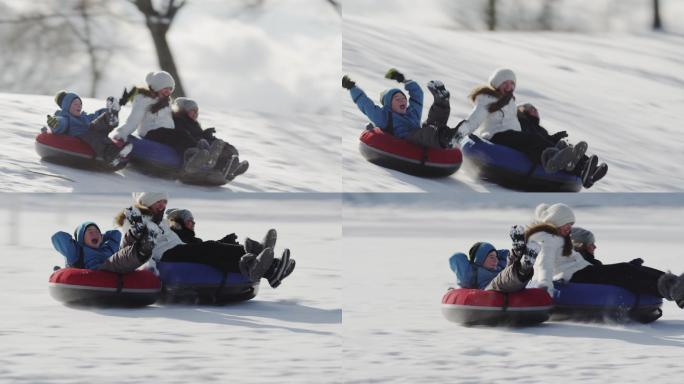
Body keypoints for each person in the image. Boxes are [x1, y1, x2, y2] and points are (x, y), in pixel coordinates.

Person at [114, 193, 294, 288]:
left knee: (214, 255)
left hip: (176, 249)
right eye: (158, 202)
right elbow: (134, 243)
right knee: (211, 248)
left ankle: (272, 268)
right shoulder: (135, 217)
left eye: (164, 201)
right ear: (147, 201)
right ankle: (263, 261)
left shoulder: (159, 220)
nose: (163, 205)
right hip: (166, 255)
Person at [526, 203, 684, 308]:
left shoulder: (560, 238)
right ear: (557, 221)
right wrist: (545, 288)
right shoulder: (548, 240)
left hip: (583, 271)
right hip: (575, 276)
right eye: (567, 224)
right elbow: (543, 264)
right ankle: (673, 289)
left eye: (571, 224)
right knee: (625, 271)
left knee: (628, 268)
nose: (570, 228)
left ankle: (675, 283)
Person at [456, 68, 590, 174]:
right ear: (496, 83)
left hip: (512, 135)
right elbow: (475, 118)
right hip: (497, 135)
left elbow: (521, 117)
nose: (509, 86)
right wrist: (459, 134)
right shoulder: (487, 98)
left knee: (539, 140)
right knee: (532, 140)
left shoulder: (510, 101)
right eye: (505, 83)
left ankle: (582, 167)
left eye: (512, 83)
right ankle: (552, 159)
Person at [108, 71, 221, 172]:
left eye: (170, 89)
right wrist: (122, 134)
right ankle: (193, 157)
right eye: (165, 88)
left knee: (183, 133)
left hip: (164, 132)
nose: (168, 92)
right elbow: (134, 119)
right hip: (152, 132)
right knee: (180, 135)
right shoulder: (145, 100)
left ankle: (204, 154)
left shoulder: (165, 103)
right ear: (157, 87)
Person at [342, 69, 458, 149]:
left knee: (434, 122)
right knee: (427, 132)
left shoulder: (412, 112)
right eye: (397, 99)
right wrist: (352, 88)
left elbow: (417, 94)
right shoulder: (385, 117)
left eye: (403, 98)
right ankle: (446, 136)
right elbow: (367, 105)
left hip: (423, 136)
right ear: (388, 105)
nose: (403, 101)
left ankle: (441, 100)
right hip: (408, 139)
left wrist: (404, 80)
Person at [517, 103, 607, 188]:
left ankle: (590, 170)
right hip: (537, 152)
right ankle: (582, 171)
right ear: (523, 111)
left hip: (546, 147)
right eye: (531, 109)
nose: (535, 111)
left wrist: (556, 137)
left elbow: (546, 140)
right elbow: (530, 139)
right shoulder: (523, 122)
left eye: (536, 109)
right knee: (562, 152)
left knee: (566, 147)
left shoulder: (540, 129)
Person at [45, 91, 132, 166]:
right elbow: (61, 123)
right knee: (93, 136)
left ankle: (111, 115)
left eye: (80, 104)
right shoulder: (66, 118)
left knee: (99, 122)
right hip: (82, 135)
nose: (79, 106)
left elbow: (95, 116)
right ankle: (112, 155)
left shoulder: (84, 116)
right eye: (75, 104)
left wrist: (105, 112)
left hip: (93, 129)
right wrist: (55, 124)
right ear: (67, 106)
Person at [171, 97, 249, 181]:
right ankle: (205, 165)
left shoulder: (194, 124)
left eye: (197, 111)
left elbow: (199, 135)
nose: (196, 114)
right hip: (190, 147)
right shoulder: (178, 120)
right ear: (184, 110)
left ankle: (230, 168)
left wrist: (207, 134)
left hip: (201, 147)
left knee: (220, 144)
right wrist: (200, 139)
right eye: (192, 111)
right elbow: (182, 135)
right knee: (204, 146)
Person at [448, 226, 538, 293]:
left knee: (510, 267)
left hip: (511, 280)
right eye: (491, 257)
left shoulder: (499, 266)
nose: (495, 260)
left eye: (496, 257)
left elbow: (505, 255)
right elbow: (456, 258)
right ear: (480, 259)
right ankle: (524, 266)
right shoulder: (472, 273)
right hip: (490, 289)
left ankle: (519, 253)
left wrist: (494, 253)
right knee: (501, 279)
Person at [51, 221, 154, 273]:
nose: (95, 234)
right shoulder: (77, 251)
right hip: (100, 271)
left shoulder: (106, 248)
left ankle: (137, 233)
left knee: (123, 250)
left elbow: (116, 234)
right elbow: (58, 237)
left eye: (97, 232)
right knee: (117, 260)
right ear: (82, 238)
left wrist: (101, 237)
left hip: (117, 269)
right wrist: (77, 242)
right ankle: (141, 251)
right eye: (90, 232)